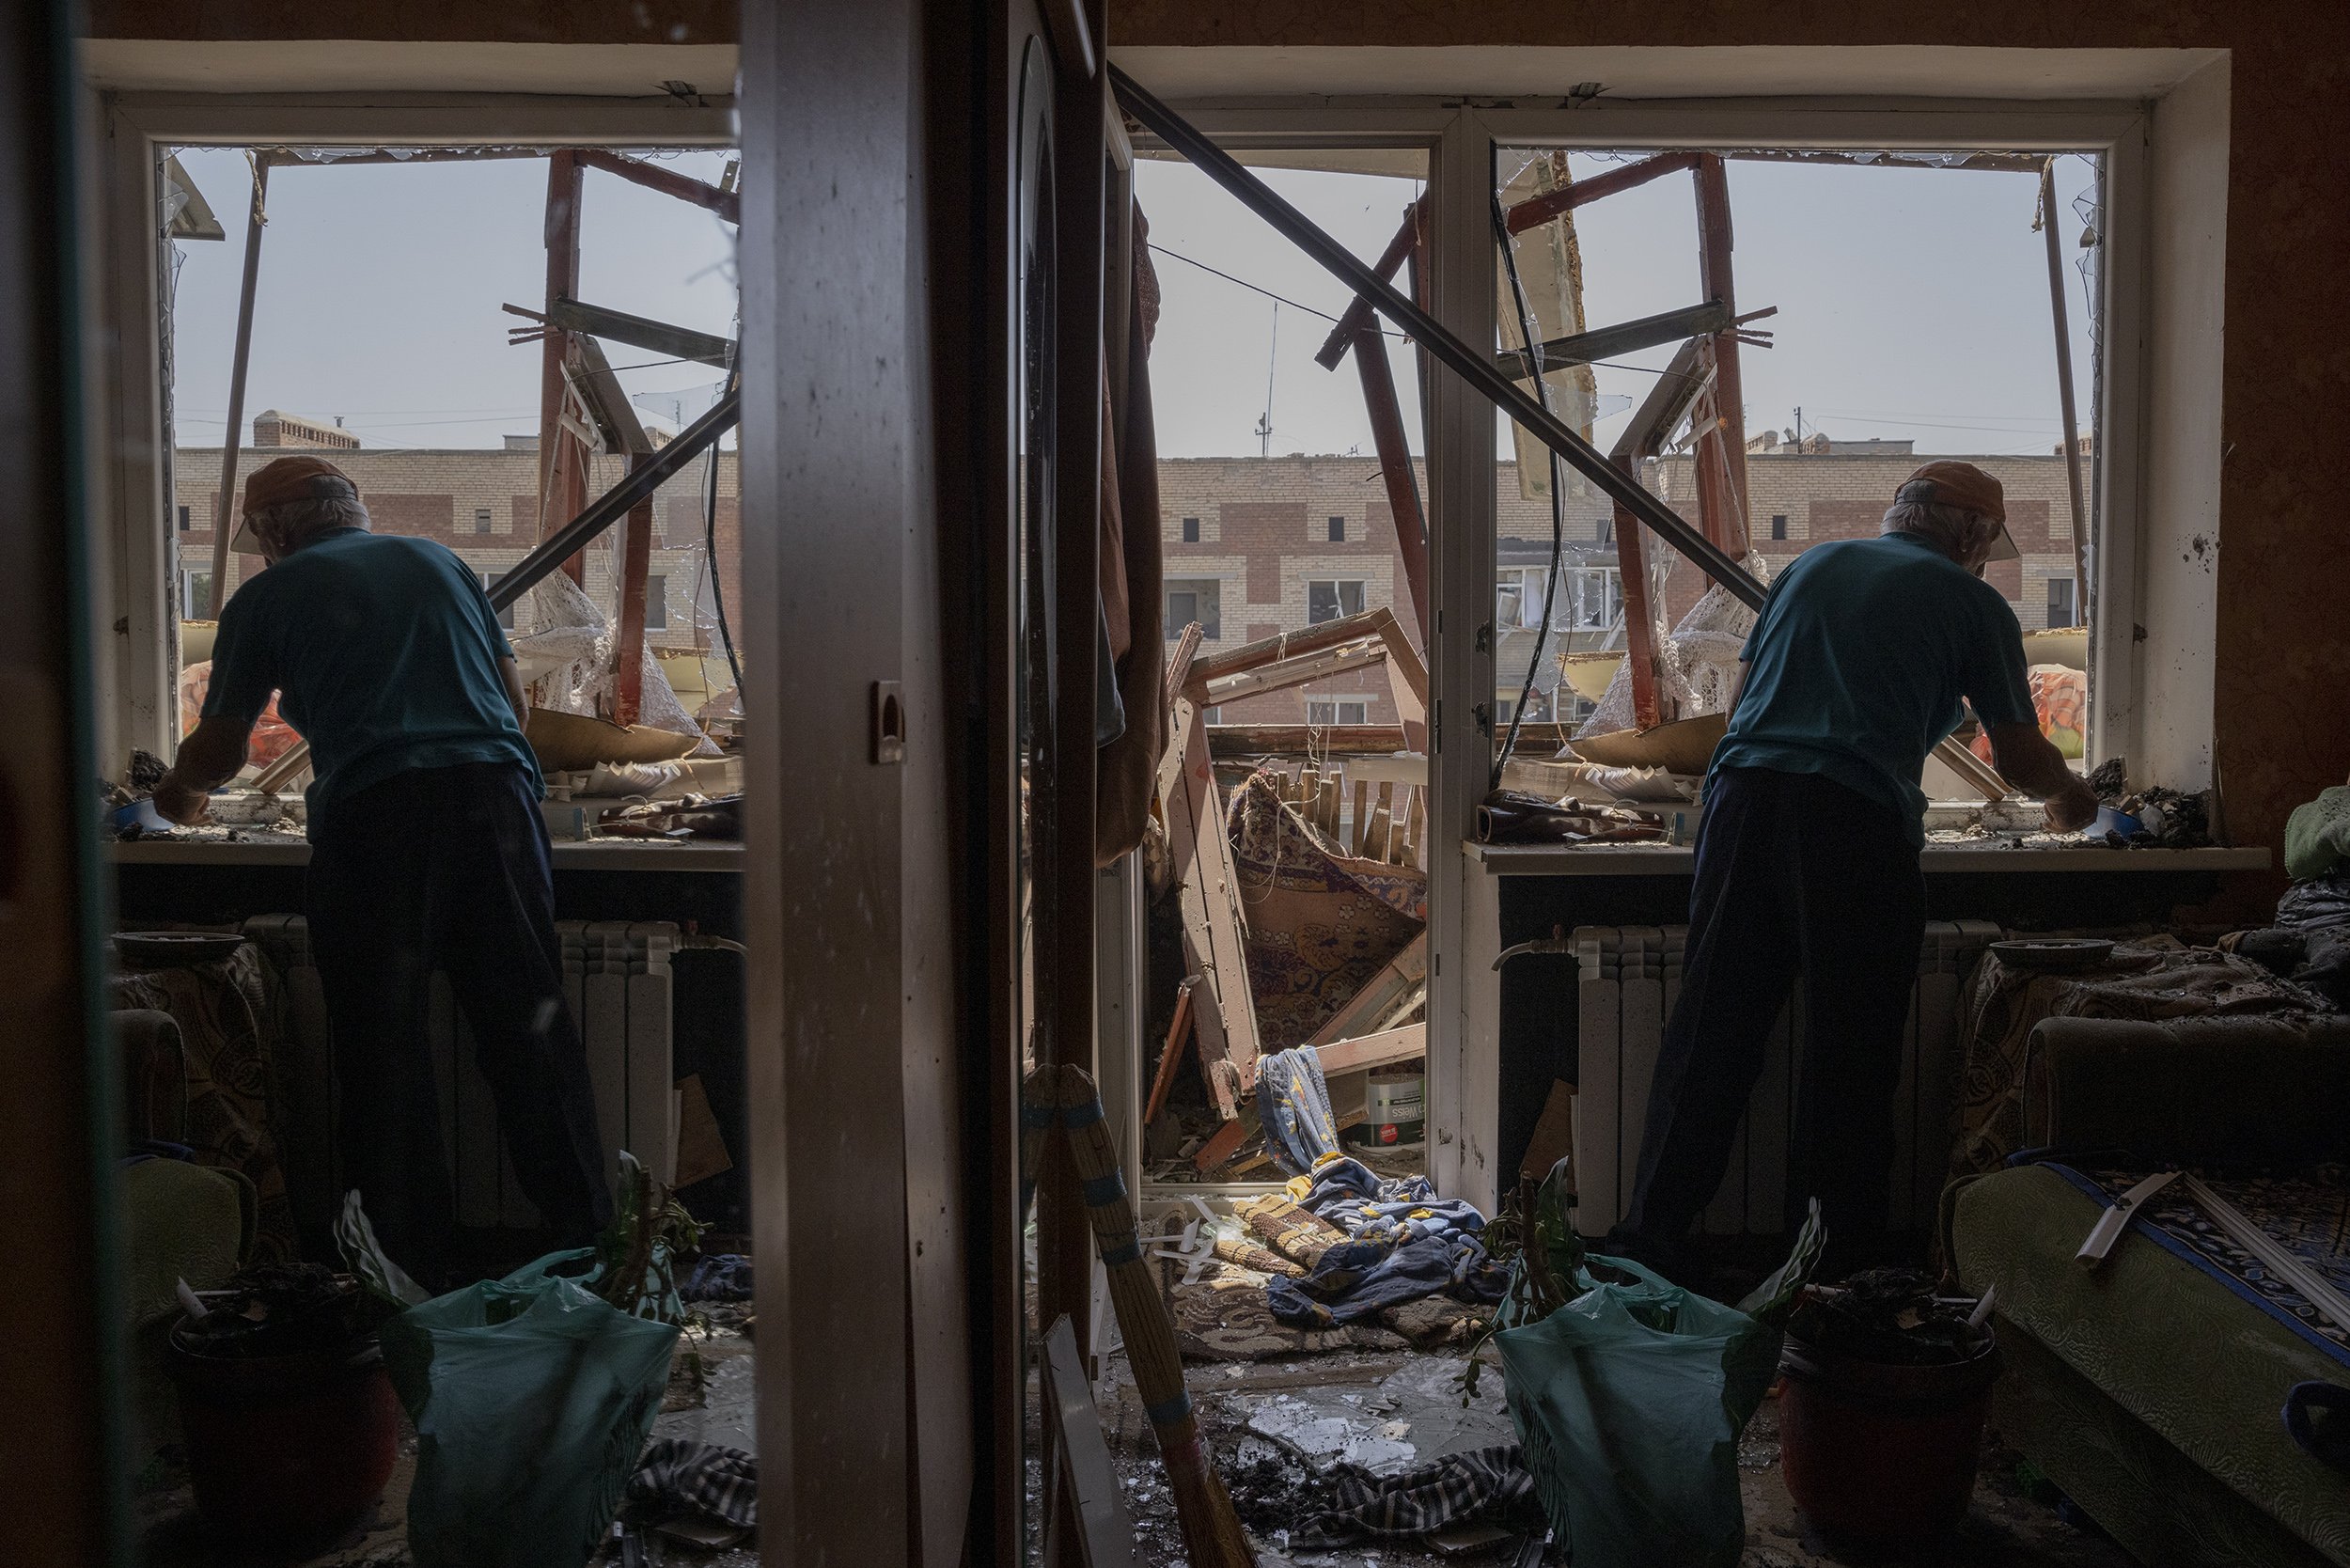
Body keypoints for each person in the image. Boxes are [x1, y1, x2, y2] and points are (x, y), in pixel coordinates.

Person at [1611, 461, 2098, 1278]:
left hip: (1740, 805)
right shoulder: (1976, 604)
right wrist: (2071, 800)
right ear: (1973, 533)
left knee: (1710, 1039)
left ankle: (1641, 1252)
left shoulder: (1811, 568)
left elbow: (1740, 709)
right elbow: (2019, 755)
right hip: (1852, 822)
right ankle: (1831, 1279)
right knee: (1850, 1057)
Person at [155, 456, 611, 1268]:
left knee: (383, 1055)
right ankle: (595, 1250)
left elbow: (221, 751)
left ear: (273, 529)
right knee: (532, 1032)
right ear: (352, 512)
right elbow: (509, 706)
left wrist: (174, 799)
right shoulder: (442, 561)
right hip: (496, 806)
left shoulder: (264, 598)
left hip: (380, 824)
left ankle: (408, 1278)